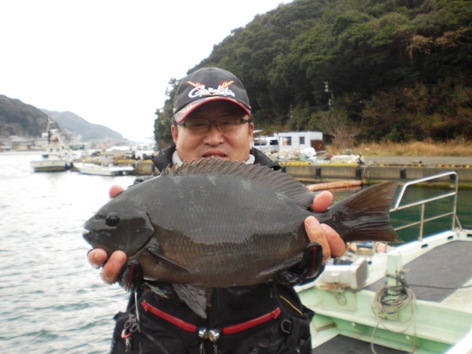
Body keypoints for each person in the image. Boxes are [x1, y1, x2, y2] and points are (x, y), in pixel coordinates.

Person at [88, 67, 346, 353]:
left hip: (268, 340)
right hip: (158, 340)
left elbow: (293, 271)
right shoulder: (141, 196)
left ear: (249, 131)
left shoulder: (276, 193)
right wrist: (134, 275)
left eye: (229, 122)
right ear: (175, 133)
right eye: (197, 124)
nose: (213, 137)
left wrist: (301, 268)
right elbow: (108, 247)